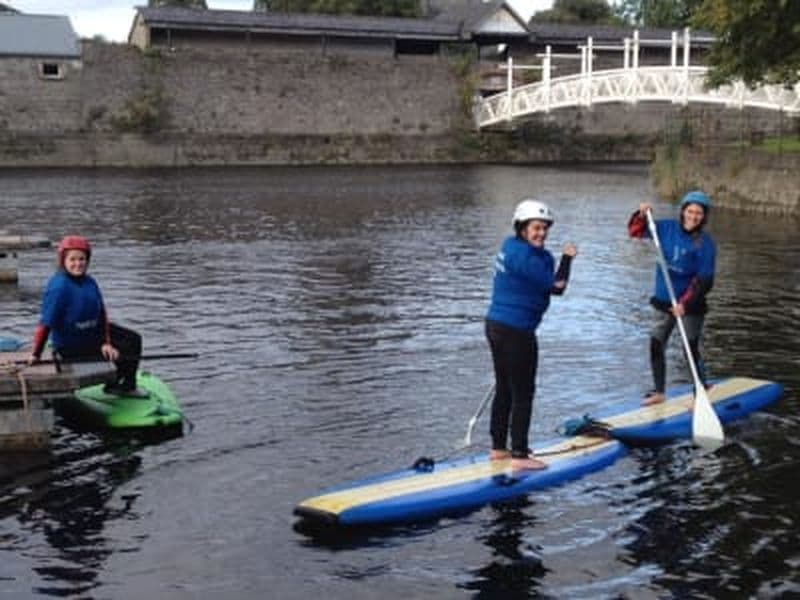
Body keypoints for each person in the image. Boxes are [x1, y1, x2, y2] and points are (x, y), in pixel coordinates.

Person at [485, 199, 577, 471]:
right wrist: (568, 259)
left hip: (495, 326)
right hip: (517, 332)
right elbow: (558, 287)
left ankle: (499, 449)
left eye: (545, 228)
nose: (542, 233)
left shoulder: (509, 246)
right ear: (522, 227)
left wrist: (552, 259)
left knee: (504, 388)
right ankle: (520, 454)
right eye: (536, 228)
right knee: (523, 391)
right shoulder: (528, 257)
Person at [27, 235, 147, 397]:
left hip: (92, 334)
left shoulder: (90, 281)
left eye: (82, 259)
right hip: (71, 345)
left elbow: (102, 315)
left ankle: (126, 386)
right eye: (73, 259)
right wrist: (36, 354)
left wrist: (106, 342)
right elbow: (45, 324)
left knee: (133, 339)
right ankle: (112, 381)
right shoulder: (59, 287)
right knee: (120, 351)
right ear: (63, 261)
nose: (78, 264)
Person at [628, 190, 717, 406]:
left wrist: (685, 304)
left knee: (690, 348)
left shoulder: (706, 244)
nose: (693, 216)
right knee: (656, 344)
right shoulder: (665, 228)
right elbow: (635, 231)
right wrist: (640, 214)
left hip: (691, 304)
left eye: (698, 213)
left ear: (703, 217)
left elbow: (705, 281)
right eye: (690, 211)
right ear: (683, 211)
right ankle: (659, 392)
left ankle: (701, 389)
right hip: (663, 299)